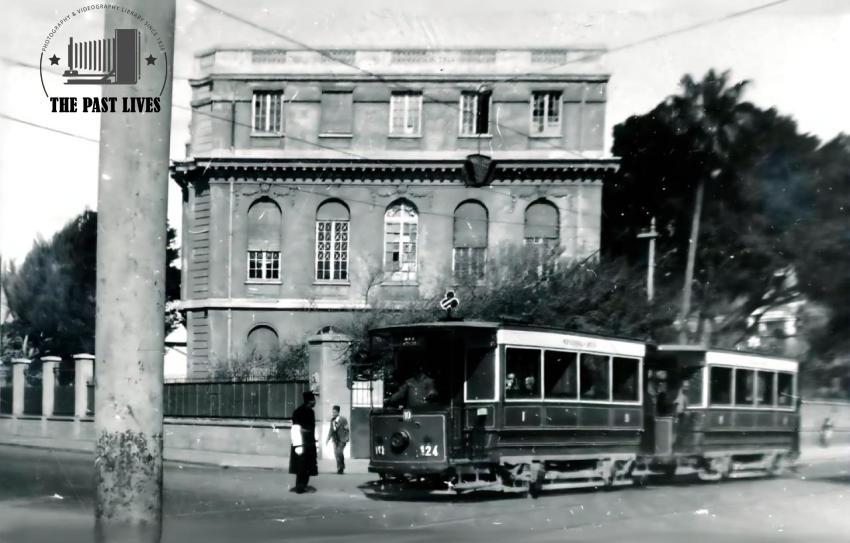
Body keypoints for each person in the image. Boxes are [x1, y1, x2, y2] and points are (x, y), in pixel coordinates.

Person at [289, 391, 318, 494]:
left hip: (303, 442)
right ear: (309, 401)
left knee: (303, 465)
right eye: (313, 400)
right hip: (305, 442)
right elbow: (301, 428)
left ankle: (301, 485)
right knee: (304, 466)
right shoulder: (306, 412)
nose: (315, 402)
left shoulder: (299, 411)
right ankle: (301, 486)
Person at [325, 405, 350, 474]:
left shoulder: (343, 419)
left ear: (338, 412)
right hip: (335, 440)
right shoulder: (332, 420)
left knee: (339, 452)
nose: (333, 413)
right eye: (332, 412)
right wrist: (327, 439)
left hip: (342, 439)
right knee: (336, 454)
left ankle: (341, 467)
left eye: (335, 412)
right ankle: (340, 467)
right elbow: (331, 430)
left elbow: (347, 429)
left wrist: (347, 438)